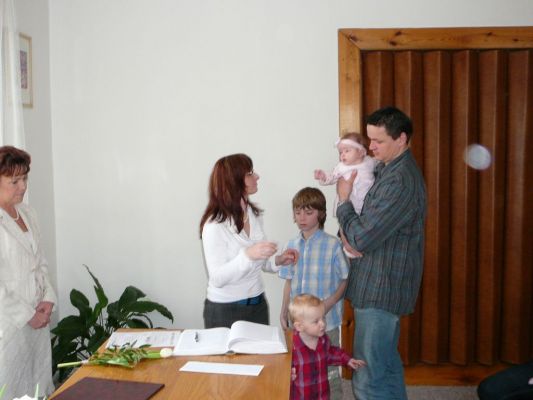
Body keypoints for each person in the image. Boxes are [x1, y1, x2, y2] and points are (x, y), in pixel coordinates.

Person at [336, 106, 427, 400]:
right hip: (377, 283)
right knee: (385, 366)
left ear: (401, 139)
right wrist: (351, 234)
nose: (371, 147)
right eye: (370, 139)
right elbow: (361, 232)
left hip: (382, 288)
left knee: (368, 378)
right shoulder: (386, 169)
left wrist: (343, 202)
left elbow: (361, 237)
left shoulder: (399, 180)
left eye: (378, 141)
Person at [200, 153, 298, 329]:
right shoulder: (214, 225)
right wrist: (248, 255)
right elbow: (217, 278)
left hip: (258, 305)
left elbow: (260, 263)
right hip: (224, 310)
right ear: (234, 181)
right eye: (250, 173)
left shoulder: (253, 215)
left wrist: (278, 260)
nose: (257, 176)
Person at [278, 187, 350, 399]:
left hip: (325, 321)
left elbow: (345, 279)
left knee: (329, 369)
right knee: (299, 370)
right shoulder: (291, 245)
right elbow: (288, 281)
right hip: (299, 323)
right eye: (298, 212)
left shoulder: (333, 245)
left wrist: (329, 303)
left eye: (308, 212)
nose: (302, 217)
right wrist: (283, 311)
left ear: (321, 214)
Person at [0, 146, 57, 399]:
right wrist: (28, 315)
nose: (22, 187)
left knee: (38, 389)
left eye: (24, 178)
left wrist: (48, 298)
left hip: (37, 321)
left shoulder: (28, 213)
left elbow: (40, 262)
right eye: (14, 181)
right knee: (10, 391)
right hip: (10, 327)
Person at [288, 293, 366, 400]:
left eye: (323, 318)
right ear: (299, 326)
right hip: (301, 396)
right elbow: (283, 371)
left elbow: (331, 353)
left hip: (322, 395)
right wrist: (288, 376)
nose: (323, 324)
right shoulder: (291, 348)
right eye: (316, 321)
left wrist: (347, 359)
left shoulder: (323, 340)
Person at [314, 132, 376, 258]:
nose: (343, 155)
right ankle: (347, 246)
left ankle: (359, 248)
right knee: (344, 225)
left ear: (361, 152)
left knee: (363, 226)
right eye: (341, 152)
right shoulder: (341, 167)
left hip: (366, 204)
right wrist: (323, 176)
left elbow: (380, 163)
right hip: (348, 202)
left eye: (347, 151)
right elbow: (332, 177)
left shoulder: (369, 162)